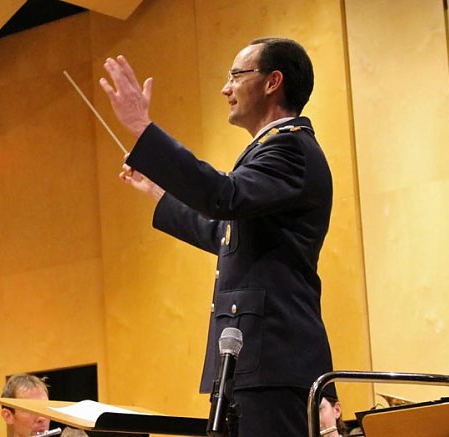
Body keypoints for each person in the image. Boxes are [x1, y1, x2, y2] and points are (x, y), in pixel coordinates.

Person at [100, 37, 335, 436]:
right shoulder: (274, 151)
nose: (226, 88)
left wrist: (142, 128)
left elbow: (222, 197)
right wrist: (160, 192)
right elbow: (226, 233)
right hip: (250, 361)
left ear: (272, 82)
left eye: (236, 75)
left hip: (272, 359)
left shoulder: (290, 148)